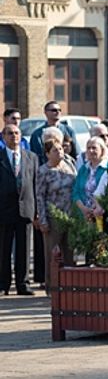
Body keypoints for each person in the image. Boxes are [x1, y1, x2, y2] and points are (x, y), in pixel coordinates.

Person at [0, 123, 36, 295]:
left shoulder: (31, 157)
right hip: (4, 210)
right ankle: (3, 284)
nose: (13, 136)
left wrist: (36, 211)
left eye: (16, 133)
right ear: (3, 136)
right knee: (3, 249)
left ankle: (23, 283)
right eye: (9, 133)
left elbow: (35, 184)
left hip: (25, 209)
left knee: (23, 249)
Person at [34, 134, 76, 275]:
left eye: (61, 149)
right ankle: (52, 287)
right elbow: (40, 197)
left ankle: (70, 286)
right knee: (53, 255)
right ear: (47, 154)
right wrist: (43, 220)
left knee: (70, 254)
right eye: (55, 150)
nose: (60, 152)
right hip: (53, 218)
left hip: (70, 216)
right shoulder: (43, 171)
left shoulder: (70, 166)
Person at [72, 137, 108, 223]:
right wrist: (83, 209)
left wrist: (96, 208)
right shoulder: (83, 169)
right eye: (88, 148)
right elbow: (75, 191)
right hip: (83, 215)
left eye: (94, 148)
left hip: (101, 215)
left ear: (102, 150)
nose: (90, 150)